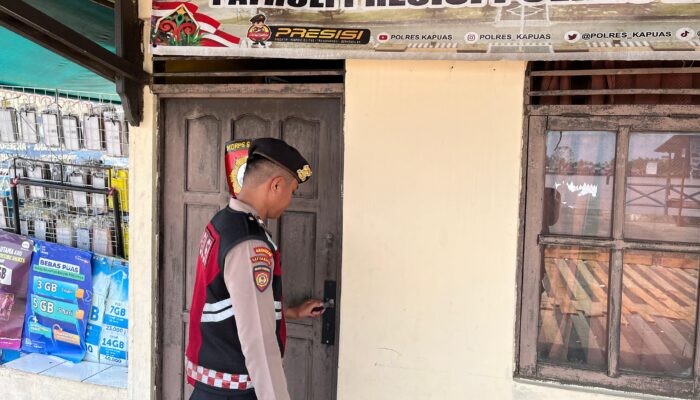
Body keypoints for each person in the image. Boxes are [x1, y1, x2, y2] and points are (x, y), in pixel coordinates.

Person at [185, 138, 323, 400]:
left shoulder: (223, 222)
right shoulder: (248, 242)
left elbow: (232, 302)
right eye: (292, 191)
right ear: (276, 185)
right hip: (233, 392)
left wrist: (291, 312)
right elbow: (258, 340)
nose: (290, 200)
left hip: (213, 386)